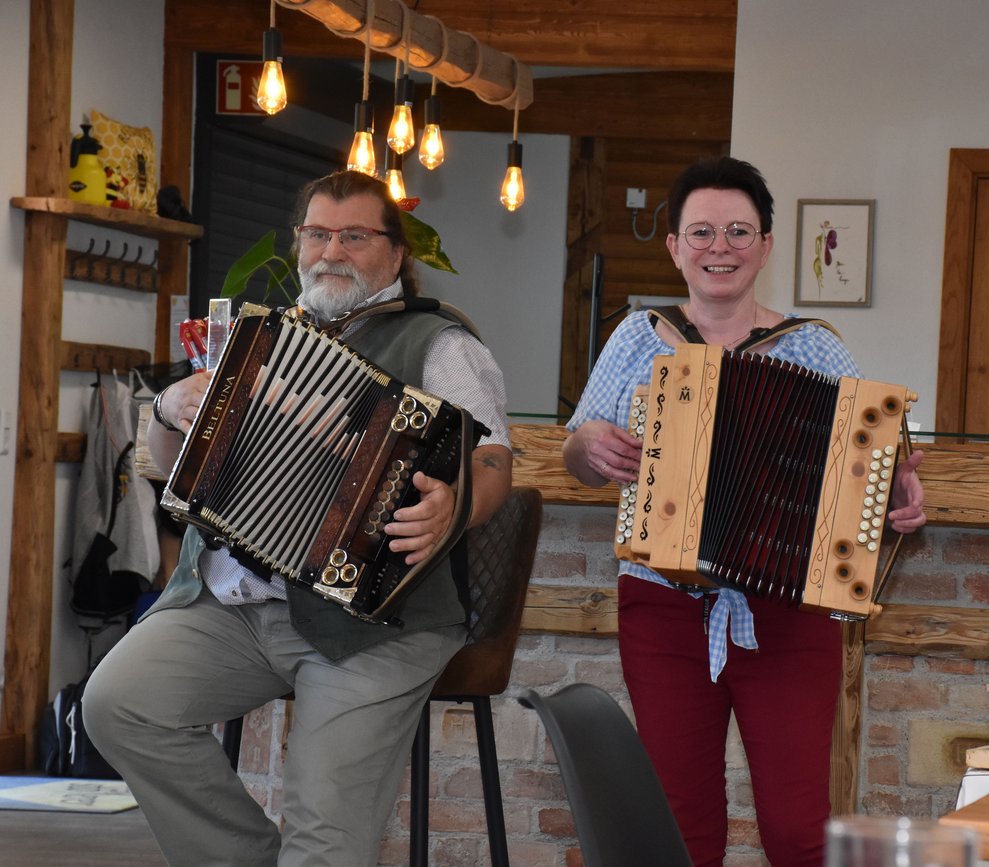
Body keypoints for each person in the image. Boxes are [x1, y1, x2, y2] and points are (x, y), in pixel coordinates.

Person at [84, 170, 513, 867]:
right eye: (316, 234)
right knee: (117, 704)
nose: (329, 251)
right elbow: (165, 468)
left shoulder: (439, 343)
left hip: (371, 623)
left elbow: (494, 461)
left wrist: (453, 502)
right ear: (297, 243)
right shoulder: (259, 338)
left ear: (395, 253)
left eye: (353, 235)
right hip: (228, 606)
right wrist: (167, 408)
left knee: (324, 838)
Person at [562, 156, 926, 867]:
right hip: (662, 602)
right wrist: (588, 446)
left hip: (787, 610)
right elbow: (578, 452)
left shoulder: (816, 347)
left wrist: (896, 496)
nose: (717, 247)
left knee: (797, 829)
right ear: (673, 245)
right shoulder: (637, 338)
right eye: (700, 231)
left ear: (763, 245)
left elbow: (870, 473)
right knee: (679, 822)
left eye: (736, 231)